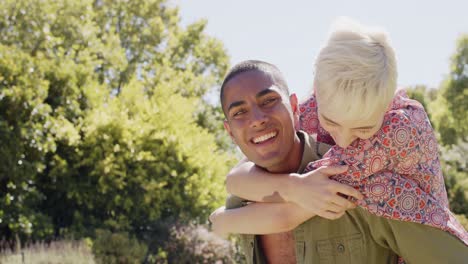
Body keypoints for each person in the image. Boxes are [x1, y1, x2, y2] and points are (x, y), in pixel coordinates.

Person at [210, 59, 468, 264]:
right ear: (229, 131)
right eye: (240, 112)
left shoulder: (372, 185)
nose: (256, 119)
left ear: (294, 107)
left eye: (268, 101)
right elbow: (230, 201)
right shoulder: (240, 202)